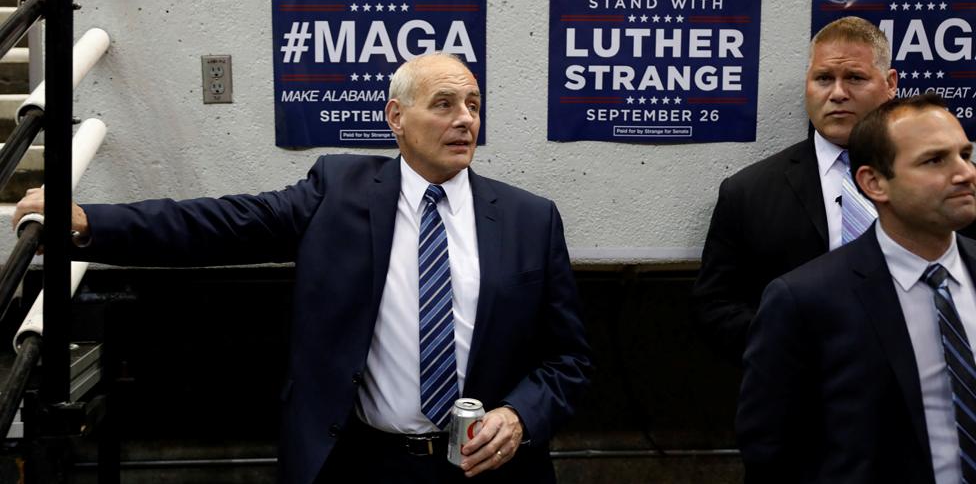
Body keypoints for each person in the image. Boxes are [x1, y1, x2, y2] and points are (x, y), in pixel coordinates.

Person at [14, 53, 592, 484]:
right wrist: (90, 223)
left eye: (473, 105)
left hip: (487, 470)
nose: (465, 119)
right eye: (444, 104)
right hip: (359, 464)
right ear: (395, 116)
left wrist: (519, 416)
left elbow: (568, 361)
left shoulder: (530, 219)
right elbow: (219, 224)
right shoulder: (338, 190)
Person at [737, 94, 976, 483]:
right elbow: (771, 454)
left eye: (965, 154)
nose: (965, 172)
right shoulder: (805, 300)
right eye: (935, 160)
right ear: (874, 183)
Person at [692, 16, 898, 363]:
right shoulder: (748, 193)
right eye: (823, 79)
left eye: (855, 78)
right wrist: (787, 348)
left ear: (890, 83)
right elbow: (715, 306)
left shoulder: (937, 180)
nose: (837, 93)